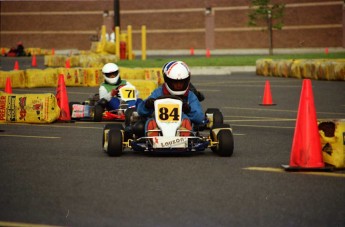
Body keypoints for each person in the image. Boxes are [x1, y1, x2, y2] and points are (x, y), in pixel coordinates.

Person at [137, 60, 205, 136]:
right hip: (159, 125)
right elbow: (141, 111)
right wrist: (147, 105)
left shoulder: (190, 95)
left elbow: (199, 117)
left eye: (182, 82)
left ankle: (184, 132)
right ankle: (153, 133)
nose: (179, 85)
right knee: (148, 121)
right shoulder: (159, 92)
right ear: (167, 80)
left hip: (180, 125)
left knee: (185, 118)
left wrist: (188, 109)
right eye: (175, 82)